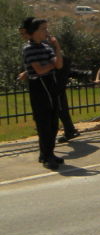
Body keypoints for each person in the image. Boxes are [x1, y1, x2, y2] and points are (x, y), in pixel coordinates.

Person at [21, 17, 65, 170]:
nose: (46, 32)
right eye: (43, 29)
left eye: (47, 28)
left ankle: (48, 153)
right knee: (44, 122)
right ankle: (47, 156)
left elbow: (59, 64)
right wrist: (52, 64)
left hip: (50, 83)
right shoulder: (29, 48)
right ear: (34, 32)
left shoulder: (47, 47)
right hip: (39, 86)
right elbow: (39, 70)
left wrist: (57, 47)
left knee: (53, 122)